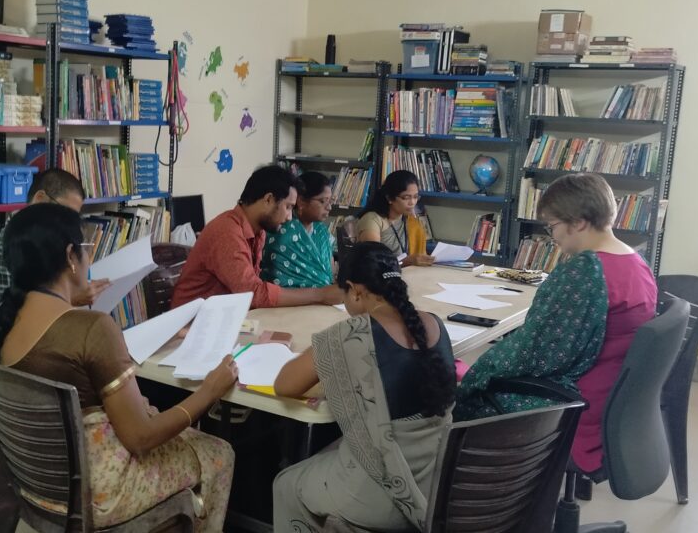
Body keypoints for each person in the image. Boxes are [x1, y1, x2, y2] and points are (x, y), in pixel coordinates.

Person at [0, 203, 238, 532]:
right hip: (99, 494)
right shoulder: (91, 329)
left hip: (31, 481)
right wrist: (208, 393)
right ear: (72, 256)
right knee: (219, 453)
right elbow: (141, 438)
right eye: (87, 250)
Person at [453, 173, 656, 475]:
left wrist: (474, 374)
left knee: (467, 394)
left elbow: (534, 353)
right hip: (611, 404)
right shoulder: (635, 262)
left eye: (553, 226)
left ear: (578, 222)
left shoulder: (584, 272)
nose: (553, 237)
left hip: (574, 409)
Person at [271, 242, 455, 531]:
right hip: (435, 482)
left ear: (354, 290)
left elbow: (284, 384)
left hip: (383, 493)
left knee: (287, 483)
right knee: (334, 451)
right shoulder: (434, 324)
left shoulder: (351, 335)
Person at [171, 165, 342, 309]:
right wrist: (320, 294)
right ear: (268, 199)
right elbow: (252, 293)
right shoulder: (227, 232)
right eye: (288, 207)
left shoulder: (258, 231)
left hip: (223, 318)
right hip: (191, 328)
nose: (290, 217)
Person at [0, 169, 110, 315]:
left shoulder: (53, 242)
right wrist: (71, 299)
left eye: (74, 217)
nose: (69, 224)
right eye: (65, 213)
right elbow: (3, 328)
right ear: (40, 199)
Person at [260, 171, 335, 288]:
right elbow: (275, 280)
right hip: (286, 303)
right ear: (301, 201)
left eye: (330, 201)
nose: (329, 207)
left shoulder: (322, 232)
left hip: (324, 302)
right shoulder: (282, 232)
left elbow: (329, 275)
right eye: (323, 201)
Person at [357, 170, 435, 267]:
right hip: (379, 278)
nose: (412, 202)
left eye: (415, 197)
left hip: (407, 274)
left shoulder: (409, 219)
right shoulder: (372, 220)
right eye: (406, 197)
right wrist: (407, 261)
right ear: (389, 198)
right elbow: (374, 260)